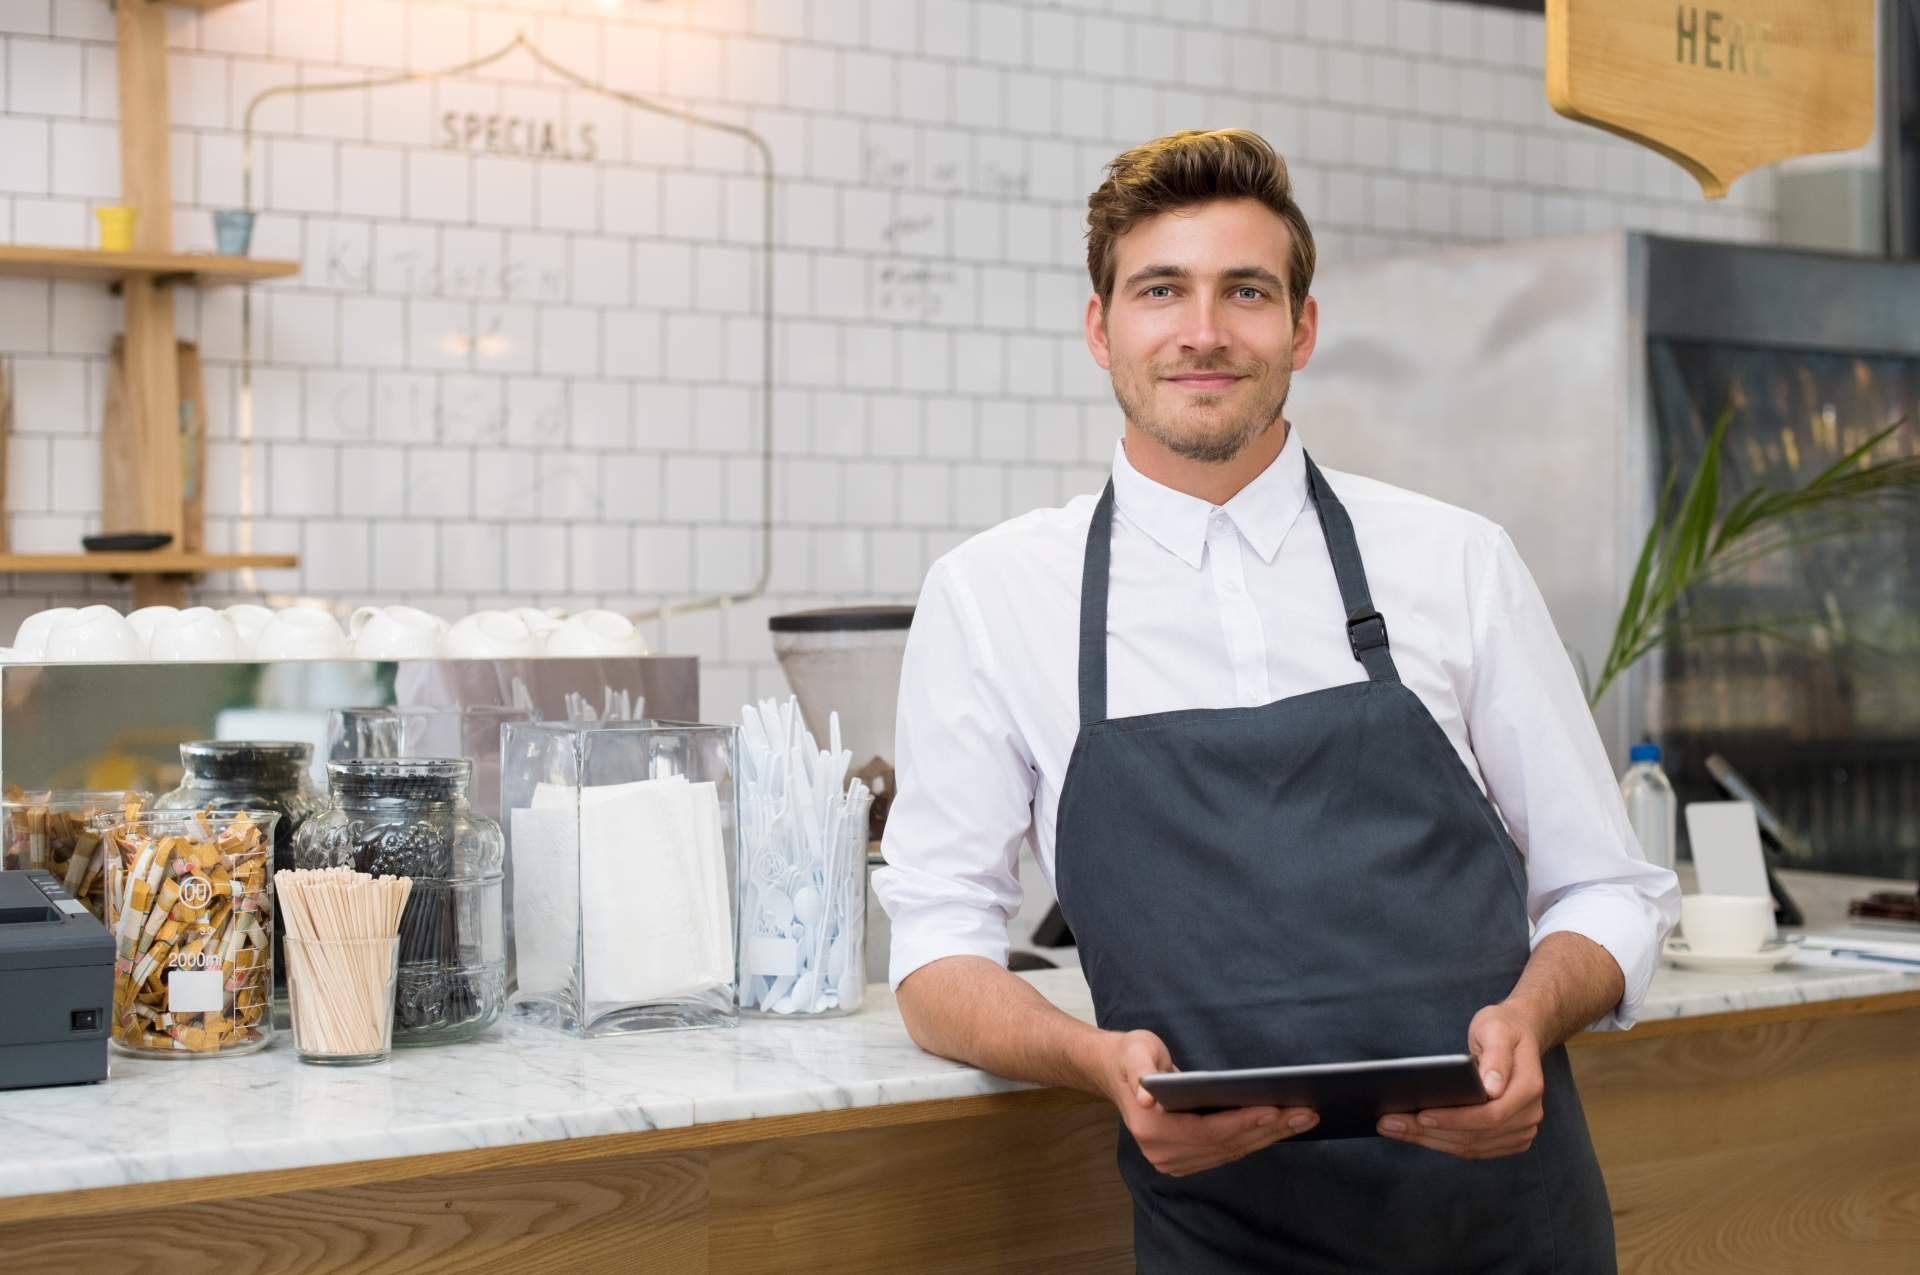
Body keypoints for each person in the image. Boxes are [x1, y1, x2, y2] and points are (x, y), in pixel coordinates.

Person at [873, 129, 1680, 1272]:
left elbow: (1609, 887)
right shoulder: (993, 596)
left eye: (1244, 292)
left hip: (1505, 1225)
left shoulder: (1456, 561)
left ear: (1302, 326)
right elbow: (938, 950)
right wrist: (1094, 1060)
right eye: (1163, 291)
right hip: (1223, 1238)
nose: (1204, 331)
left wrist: (1535, 1021)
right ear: (1102, 329)